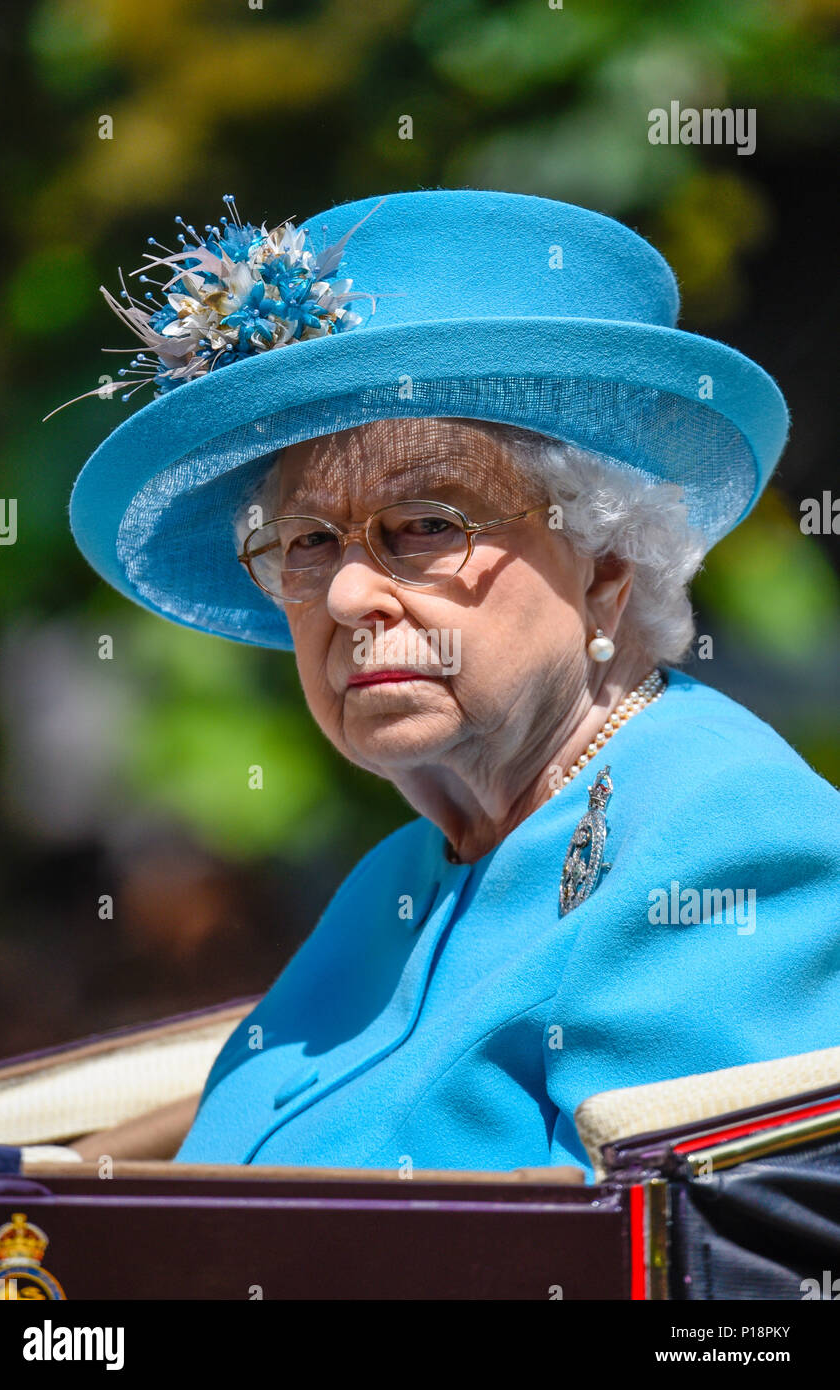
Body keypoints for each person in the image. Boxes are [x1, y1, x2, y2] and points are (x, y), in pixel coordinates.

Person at [68, 189, 840, 1176]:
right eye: (306, 541)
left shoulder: (731, 838)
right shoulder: (396, 878)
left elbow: (675, 1276)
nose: (349, 592)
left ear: (606, 570)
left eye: (428, 524)